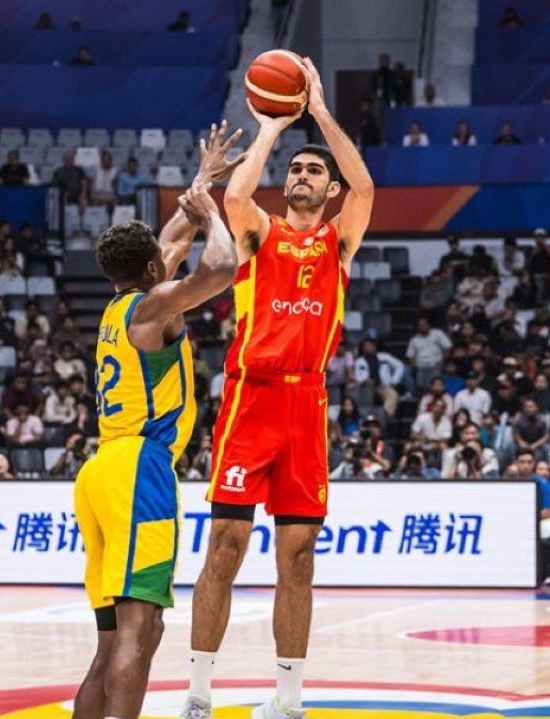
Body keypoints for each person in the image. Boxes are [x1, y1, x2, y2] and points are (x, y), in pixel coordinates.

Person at [184, 56, 375, 719]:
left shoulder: (338, 244)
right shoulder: (257, 236)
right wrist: (271, 124)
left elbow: (367, 187)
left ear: (327, 191)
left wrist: (318, 112)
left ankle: (288, 700)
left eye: (311, 169)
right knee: (225, 549)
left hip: (307, 403)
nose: (301, 174)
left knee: (298, 559)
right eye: (295, 168)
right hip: (250, 396)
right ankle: (198, 694)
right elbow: (235, 198)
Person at [74, 122, 242, 719]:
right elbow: (221, 269)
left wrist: (202, 184)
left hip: (99, 471)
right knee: (141, 636)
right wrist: (216, 215)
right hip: (140, 470)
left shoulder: (125, 304)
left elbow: (172, 237)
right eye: (162, 264)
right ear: (152, 272)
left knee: (112, 642)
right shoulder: (152, 306)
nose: (167, 263)